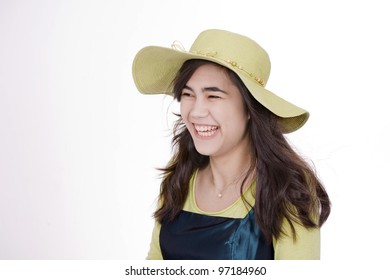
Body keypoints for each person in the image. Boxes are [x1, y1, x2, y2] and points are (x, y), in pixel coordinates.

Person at [132, 29, 331, 260]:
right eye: (188, 94)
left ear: (250, 108)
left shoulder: (286, 189)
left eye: (213, 96)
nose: (196, 111)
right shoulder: (180, 174)